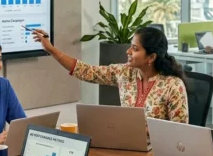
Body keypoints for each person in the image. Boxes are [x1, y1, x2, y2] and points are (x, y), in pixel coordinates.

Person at [32, 26, 188, 124]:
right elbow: (85, 71)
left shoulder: (173, 86)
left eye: (134, 49)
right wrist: (51, 49)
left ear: (151, 57)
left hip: (158, 155)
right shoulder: (125, 73)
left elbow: (180, 135)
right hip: (127, 148)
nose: (128, 52)